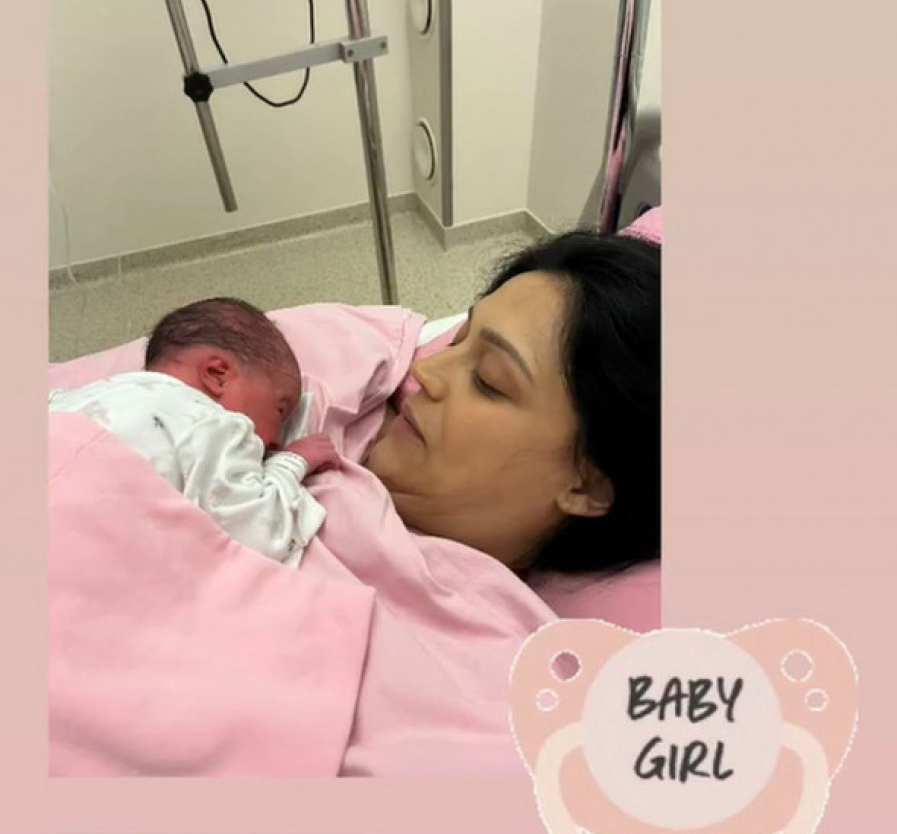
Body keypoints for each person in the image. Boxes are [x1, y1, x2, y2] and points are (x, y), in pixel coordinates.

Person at [366, 230, 660, 580]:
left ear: (587, 485)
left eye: (487, 380)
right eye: (456, 342)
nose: (424, 370)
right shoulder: (351, 393)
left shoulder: (451, 611)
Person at [49, 297, 340, 566]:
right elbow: (259, 534)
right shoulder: (211, 422)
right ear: (217, 375)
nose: (276, 439)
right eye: (280, 410)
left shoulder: (75, 396)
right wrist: (291, 462)